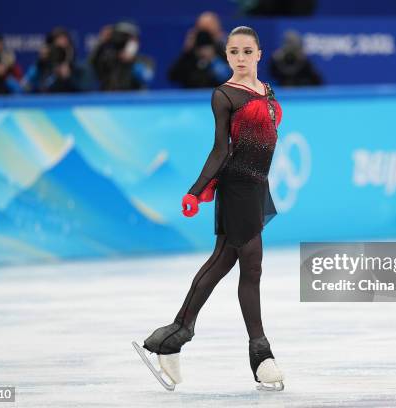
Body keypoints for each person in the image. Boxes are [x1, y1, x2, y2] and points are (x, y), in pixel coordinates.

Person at [135, 26, 285, 392]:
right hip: (236, 187)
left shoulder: (267, 91)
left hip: (256, 186)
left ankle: (171, 341)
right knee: (250, 263)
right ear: (227, 55)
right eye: (233, 51)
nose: (240, 57)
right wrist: (197, 190)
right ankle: (261, 356)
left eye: (247, 51)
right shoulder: (224, 95)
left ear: (259, 54)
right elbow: (221, 149)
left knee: (224, 262)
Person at [89, 21, 155, 91]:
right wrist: (101, 43)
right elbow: (90, 68)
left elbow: (146, 77)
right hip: (109, 98)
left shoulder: (144, 60)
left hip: (135, 99)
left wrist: (131, 60)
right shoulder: (106, 59)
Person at [21, 27, 89, 93]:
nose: (60, 54)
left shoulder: (80, 67)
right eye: (57, 50)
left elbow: (87, 92)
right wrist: (41, 63)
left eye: (64, 49)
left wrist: (69, 78)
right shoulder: (41, 66)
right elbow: (25, 86)